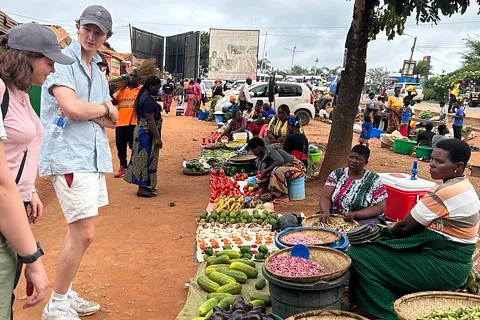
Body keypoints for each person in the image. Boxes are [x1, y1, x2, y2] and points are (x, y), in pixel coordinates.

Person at [39, 5, 117, 319]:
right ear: (78, 27)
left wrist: (97, 110)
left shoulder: (99, 71)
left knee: (78, 233)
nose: (91, 35)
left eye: (98, 31)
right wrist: (101, 109)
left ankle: (66, 293)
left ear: (106, 36)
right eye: (87, 28)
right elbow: (71, 108)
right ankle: (56, 305)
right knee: (84, 233)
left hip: (92, 156)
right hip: (70, 155)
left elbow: (113, 121)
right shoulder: (63, 63)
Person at [348, 139, 480, 320]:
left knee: (361, 254)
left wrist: (381, 232)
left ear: (458, 166)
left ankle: (386, 312)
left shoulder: (444, 192)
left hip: (445, 265)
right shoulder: (464, 186)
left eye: (439, 162)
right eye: (432, 159)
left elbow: (403, 227)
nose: (432, 165)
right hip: (455, 266)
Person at [0, 22, 73, 319]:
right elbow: (2, 184)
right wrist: (33, 258)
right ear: (27, 57)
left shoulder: (19, 93)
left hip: (12, 218)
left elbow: (17, 153)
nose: (53, 68)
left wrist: (28, 191)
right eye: (49, 61)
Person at [318, 145, 388, 226]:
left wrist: (355, 214)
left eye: (358, 159)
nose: (353, 161)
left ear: (366, 162)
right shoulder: (337, 174)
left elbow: (380, 207)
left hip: (364, 219)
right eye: (351, 157)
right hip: (336, 214)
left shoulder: (374, 180)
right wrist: (325, 212)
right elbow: (325, 197)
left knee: (360, 232)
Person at [124, 76, 163, 198]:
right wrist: (157, 138)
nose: (158, 90)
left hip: (143, 132)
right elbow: (150, 120)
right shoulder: (147, 100)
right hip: (146, 134)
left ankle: (146, 186)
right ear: (151, 86)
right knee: (143, 159)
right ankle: (142, 188)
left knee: (144, 158)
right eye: (157, 88)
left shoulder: (144, 97)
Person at [111, 70, 141, 178]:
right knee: (121, 147)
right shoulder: (122, 90)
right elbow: (114, 102)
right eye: (130, 76)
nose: (131, 78)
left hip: (134, 123)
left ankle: (134, 168)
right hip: (121, 123)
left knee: (134, 146)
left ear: (139, 78)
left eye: (134, 76)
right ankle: (123, 167)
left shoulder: (141, 90)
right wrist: (110, 92)